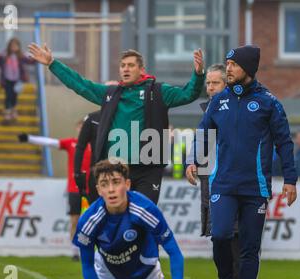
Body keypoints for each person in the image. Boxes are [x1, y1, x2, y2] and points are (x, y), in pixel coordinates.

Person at [186, 45, 298, 279]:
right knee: (220, 235)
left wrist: (290, 180)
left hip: (255, 187)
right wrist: (193, 161)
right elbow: (204, 132)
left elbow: (285, 142)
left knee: (250, 247)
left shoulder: (269, 102)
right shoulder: (219, 101)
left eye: (233, 65)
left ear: (247, 68)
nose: (228, 69)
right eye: (227, 64)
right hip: (223, 184)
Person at [28, 43, 205, 204]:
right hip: (116, 169)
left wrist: (198, 74)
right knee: (116, 220)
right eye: (122, 66)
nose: (125, 69)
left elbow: (188, 94)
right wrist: (52, 64)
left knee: (142, 217)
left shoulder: (158, 92)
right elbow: (80, 84)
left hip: (147, 170)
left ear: (142, 70)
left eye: (130, 65)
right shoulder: (110, 94)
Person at [72, 159, 184, 279]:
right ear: (99, 190)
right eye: (104, 184)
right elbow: (87, 265)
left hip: (146, 272)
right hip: (109, 272)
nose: (111, 189)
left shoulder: (145, 209)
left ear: (127, 184)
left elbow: (174, 252)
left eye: (116, 182)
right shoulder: (89, 220)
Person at [17, 120, 91, 261]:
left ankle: (92, 251)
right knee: (75, 220)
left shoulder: (94, 145)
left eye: (84, 127)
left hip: (92, 190)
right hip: (75, 189)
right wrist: (29, 138)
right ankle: (75, 252)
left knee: (91, 221)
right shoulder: (71, 144)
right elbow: (50, 142)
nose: (82, 130)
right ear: (77, 129)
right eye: (80, 127)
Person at [197, 64, 240, 279]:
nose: (210, 88)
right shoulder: (210, 110)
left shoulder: (233, 110)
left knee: (230, 235)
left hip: (229, 183)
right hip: (211, 180)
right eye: (208, 83)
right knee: (220, 235)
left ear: (227, 84)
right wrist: (194, 162)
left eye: (215, 83)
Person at [0, 38, 35, 122]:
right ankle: (7, 112)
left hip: (17, 79)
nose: (14, 47)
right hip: (7, 79)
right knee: (8, 95)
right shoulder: (5, 55)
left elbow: (30, 61)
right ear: (9, 46)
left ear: (18, 47)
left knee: (14, 95)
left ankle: (13, 110)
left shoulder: (21, 55)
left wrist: (35, 58)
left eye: (15, 46)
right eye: (12, 46)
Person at [74, 110, 101, 203]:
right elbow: (80, 147)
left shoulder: (126, 115)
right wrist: (77, 173)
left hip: (119, 171)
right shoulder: (92, 118)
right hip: (97, 173)